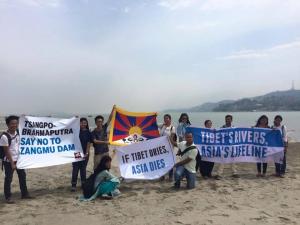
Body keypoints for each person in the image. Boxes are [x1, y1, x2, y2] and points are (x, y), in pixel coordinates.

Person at [0, 116, 31, 204]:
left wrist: (24, 118)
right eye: (12, 124)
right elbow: (7, 151)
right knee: (8, 179)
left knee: (22, 177)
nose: (14, 125)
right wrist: (12, 163)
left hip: (19, 160)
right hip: (9, 161)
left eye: (16, 123)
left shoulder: (18, 132)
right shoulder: (4, 137)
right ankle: (8, 197)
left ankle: (24, 194)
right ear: (8, 125)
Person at [71, 118, 92, 192]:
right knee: (75, 169)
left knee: (83, 169)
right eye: (82, 123)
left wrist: (86, 152)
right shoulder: (76, 131)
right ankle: (73, 185)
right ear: (79, 123)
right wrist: (75, 119)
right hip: (77, 153)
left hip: (85, 153)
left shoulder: (88, 132)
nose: (83, 124)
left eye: (85, 123)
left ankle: (83, 184)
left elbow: (89, 143)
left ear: (87, 124)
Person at [215, 115, 238, 179]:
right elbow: (218, 134)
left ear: (231, 120)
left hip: (232, 146)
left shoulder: (234, 128)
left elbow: (239, 134)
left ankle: (234, 173)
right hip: (224, 146)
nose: (228, 120)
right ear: (225, 120)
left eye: (229, 119)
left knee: (233, 160)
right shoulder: (222, 127)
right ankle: (219, 174)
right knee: (222, 160)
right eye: (226, 119)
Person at [159, 114, 176, 181]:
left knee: (170, 161)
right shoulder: (162, 125)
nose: (166, 120)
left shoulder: (172, 128)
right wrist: (153, 116)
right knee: (162, 161)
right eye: (164, 118)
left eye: (167, 118)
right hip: (161, 147)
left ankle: (170, 176)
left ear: (170, 119)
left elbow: (172, 138)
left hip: (169, 147)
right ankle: (162, 176)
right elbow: (153, 124)